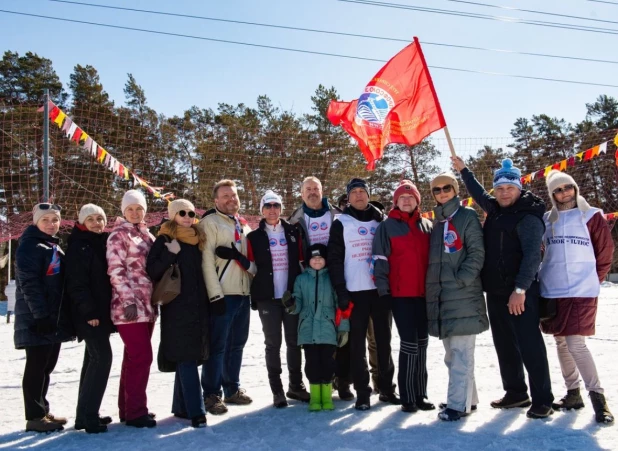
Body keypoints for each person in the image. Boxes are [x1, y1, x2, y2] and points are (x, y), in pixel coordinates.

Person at [453, 156, 554, 419]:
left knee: (529, 344)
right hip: (496, 291)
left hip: (521, 292)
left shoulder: (529, 216)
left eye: (509, 188)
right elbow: (476, 193)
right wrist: (464, 171)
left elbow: (533, 256)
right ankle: (516, 392)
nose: (504, 192)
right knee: (504, 344)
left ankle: (543, 398)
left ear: (519, 189)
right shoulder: (495, 209)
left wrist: (520, 290)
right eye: (499, 188)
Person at [539, 170, 614, 424]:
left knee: (576, 344)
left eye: (567, 187)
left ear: (575, 188)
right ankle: (573, 393)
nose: (563, 193)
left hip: (582, 291)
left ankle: (598, 398)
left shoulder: (591, 215)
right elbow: (540, 251)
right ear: (552, 195)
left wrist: (594, 278)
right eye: (557, 190)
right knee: (561, 343)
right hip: (553, 290)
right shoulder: (547, 219)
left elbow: (604, 252)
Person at [329, 178, 397, 411]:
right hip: (354, 292)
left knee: (383, 341)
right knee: (356, 346)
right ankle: (363, 392)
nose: (359, 196)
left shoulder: (381, 221)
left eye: (362, 191)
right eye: (354, 192)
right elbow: (335, 259)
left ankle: (387, 388)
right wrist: (340, 290)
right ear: (348, 197)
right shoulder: (341, 222)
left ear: (368, 194)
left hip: (379, 291)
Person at [425, 174, 489, 421]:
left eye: (446, 188)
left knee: (461, 353)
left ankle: (456, 405)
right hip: (443, 297)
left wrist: (462, 279)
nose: (442, 193)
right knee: (453, 354)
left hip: (462, 294)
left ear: (455, 189)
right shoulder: (437, 223)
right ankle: (468, 400)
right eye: (437, 190)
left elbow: (477, 253)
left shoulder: (467, 216)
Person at [289, 177, 354, 401]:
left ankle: (343, 382)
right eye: (307, 189)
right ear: (301, 193)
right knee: (314, 335)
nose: (312, 192)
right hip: (311, 278)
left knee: (342, 330)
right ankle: (306, 383)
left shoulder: (338, 214)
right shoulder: (295, 219)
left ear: (322, 190)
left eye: (316, 188)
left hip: (338, 276)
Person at [373, 180, 434, 413]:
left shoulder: (427, 226)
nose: (406, 200)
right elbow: (379, 260)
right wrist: (384, 292)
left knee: (423, 344)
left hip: (424, 294)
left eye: (411, 197)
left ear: (417, 200)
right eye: (402, 197)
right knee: (409, 344)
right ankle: (408, 396)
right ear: (396, 202)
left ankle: (421, 393)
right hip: (400, 295)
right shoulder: (386, 227)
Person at [147, 199, 209, 428]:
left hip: (199, 306)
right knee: (187, 356)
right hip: (176, 307)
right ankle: (197, 412)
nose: (186, 216)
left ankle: (181, 407)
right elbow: (152, 270)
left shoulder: (198, 239)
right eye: (181, 212)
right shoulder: (164, 239)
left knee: (191, 356)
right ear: (172, 215)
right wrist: (170, 254)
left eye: (191, 213)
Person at [246, 190, 309, 408]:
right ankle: (277, 391)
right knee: (273, 344)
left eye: (276, 206)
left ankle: (296, 386)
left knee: (294, 342)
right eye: (268, 206)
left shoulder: (293, 232)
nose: (272, 210)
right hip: (267, 298)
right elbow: (251, 267)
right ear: (261, 210)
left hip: (290, 297)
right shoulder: (253, 237)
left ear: (281, 209)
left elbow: (302, 261)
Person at [14, 203, 73, 432]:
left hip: (52, 318)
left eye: (55, 220)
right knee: (36, 367)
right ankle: (34, 416)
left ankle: (42, 410)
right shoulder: (30, 247)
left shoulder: (50, 246)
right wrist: (40, 316)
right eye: (46, 219)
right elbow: (29, 284)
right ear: (36, 222)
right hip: (36, 318)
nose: (51, 224)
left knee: (46, 366)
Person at [198, 179, 253, 415]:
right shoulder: (209, 223)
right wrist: (215, 295)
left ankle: (232, 388)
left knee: (237, 344)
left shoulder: (243, 224)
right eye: (225, 196)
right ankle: (211, 393)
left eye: (234, 195)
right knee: (218, 346)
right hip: (223, 295)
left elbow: (252, 262)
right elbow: (206, 262)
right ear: (216, 200)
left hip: (242, 293)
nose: (231, 199)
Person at [107, 189, 157, 428]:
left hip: (147, 304)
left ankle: (127, 409)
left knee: (133, 357)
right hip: (128, 306)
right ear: (123, 211)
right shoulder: (118, 235)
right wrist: (127, 301)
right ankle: (137, 411)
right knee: (142, 357)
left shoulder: (146, 235)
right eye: (130, 209)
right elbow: (115, 271)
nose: (135, 213)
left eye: (139, 209)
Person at [65, 204, 114, 433]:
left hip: (101, 313)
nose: (96, 223)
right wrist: (89, 312)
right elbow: (77, 284)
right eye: (91, 219)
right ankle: (90, 416)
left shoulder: (101, 242)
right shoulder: (80, 246)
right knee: (102, 359)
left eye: (100, 218)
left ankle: (83, 416)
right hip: (89, 315)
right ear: (82, 222)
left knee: (92, 361)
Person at [284, 244, 344, 411]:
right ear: (308, 260)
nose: (317, 260)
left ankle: (327, 397)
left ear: (325, 260)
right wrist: (291, 304)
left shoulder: (332, 278)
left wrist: (343, 328)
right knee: (312, 364)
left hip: (327, 329)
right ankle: (315, 398)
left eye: (320, 258)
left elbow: (340, 305)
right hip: (308, 330)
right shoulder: (301, 279)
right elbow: (298, 304)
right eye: (313, 258)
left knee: (328, 363)